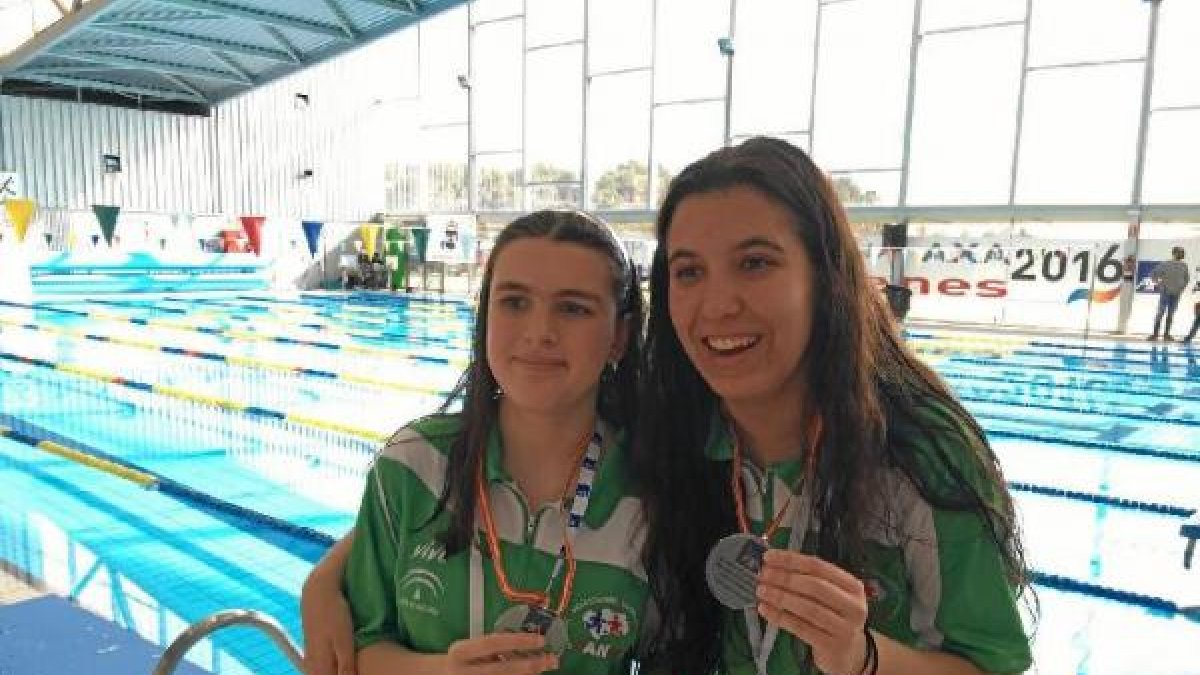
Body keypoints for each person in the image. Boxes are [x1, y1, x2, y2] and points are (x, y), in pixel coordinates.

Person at [633, 137, 1033, 675]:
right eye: (689, 272)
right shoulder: (674, 437)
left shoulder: (921, 450)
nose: (718, 305)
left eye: (755, 263)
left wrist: (863, 658)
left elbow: (994, 667)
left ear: (823, 277)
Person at [301, 209, 648, 675]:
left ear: (619, 337)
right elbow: (361, 652)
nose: (539, 332)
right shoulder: (412, 467)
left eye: (573, 308)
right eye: (514, 302)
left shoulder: (651, 496)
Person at [1147, 246, 1189, 341]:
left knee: (1171, 314)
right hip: (1165, 293)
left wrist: (1181, 288)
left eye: (1183, 252)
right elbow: (1153, 274)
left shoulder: (1184, 265)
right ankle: (1155, 334)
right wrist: (1160, 284)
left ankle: (1166, 334)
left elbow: (1186, 279)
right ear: (1174, 253)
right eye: (1180, 252)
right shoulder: (1165, 264)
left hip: (1176, 294)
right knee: (1160, 313)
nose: (1182, 254)